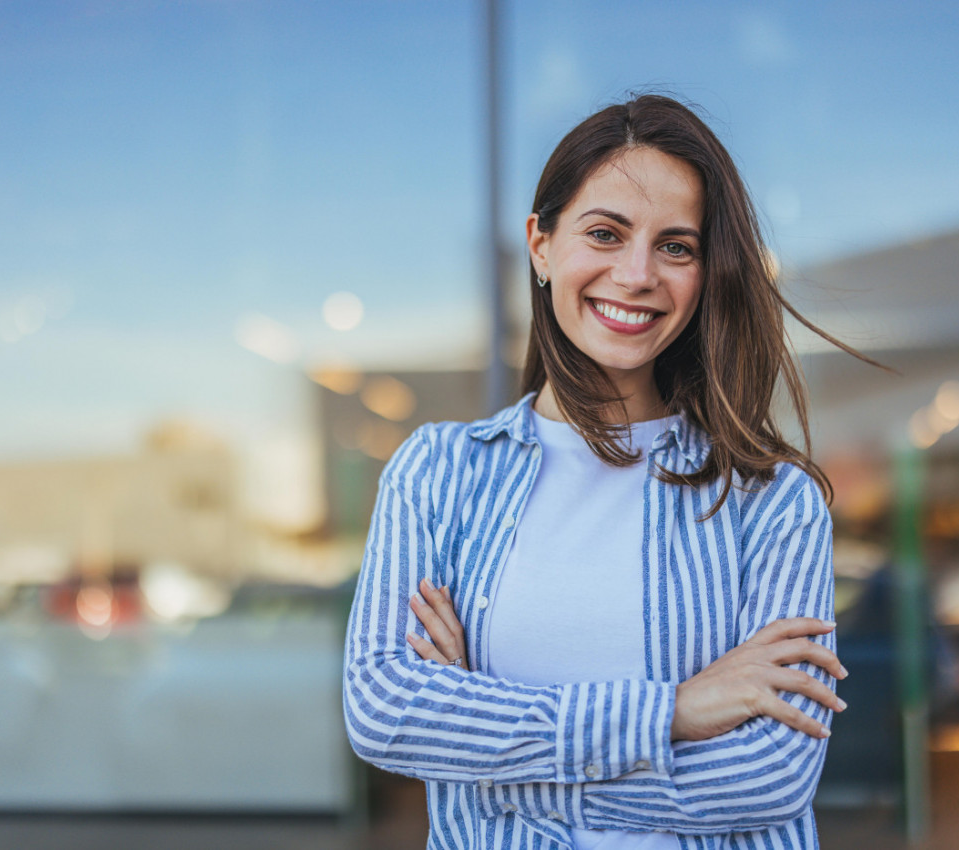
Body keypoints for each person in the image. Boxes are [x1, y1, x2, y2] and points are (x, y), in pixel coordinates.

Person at [344, 94, 867, 850]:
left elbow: (768, 776)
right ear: (540, 245)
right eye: (604, 232)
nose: (636, 274)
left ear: (703, 273)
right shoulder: (438, 472)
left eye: (676, 247)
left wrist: (479, 742)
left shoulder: (770, 501)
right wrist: (674, 712)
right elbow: (385, 711)